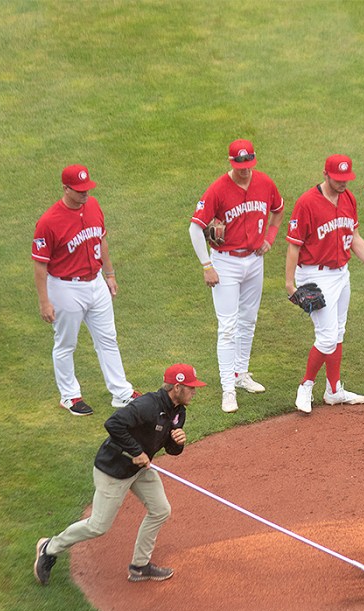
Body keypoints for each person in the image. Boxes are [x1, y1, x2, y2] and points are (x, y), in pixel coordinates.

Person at [33, 363, 206, 585]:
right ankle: (50, 547)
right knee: (98, 526)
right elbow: (113, 424)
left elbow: (170, 448)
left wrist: (177, 443)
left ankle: (140, 567)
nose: (195, 391)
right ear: (177, 387)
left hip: (139, 470)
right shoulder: (147, 405)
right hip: (114, 469)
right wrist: (136, 451)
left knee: (160, 509)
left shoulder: (178, 412)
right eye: (191, 387)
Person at [285, 155, 364, 413]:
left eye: (347, 178)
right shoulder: (306, 203)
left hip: (340, 274)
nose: (344, 183)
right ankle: (305, 386)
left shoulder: (349, 199)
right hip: (315, 275)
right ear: (326, 174)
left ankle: (334, 391)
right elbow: (294, 246)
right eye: (338, 179)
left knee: (338, 333)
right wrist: (290, 285)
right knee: (326, 338)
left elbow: (354, 238)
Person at [32, 165, 140, 416]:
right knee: (66, 343)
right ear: (65, 188)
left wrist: (110, 274)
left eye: (87, 188)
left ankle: (121, 392)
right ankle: (69, 396)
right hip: (65, 288)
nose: (84, 194)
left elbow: (101, 239)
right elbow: (40, 264)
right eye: (79, 190)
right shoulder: (49, 222)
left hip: (96, 282)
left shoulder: (93, 206)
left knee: (108, 338)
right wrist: (44, 301)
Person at [189, 139, 285, 413]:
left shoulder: (265, 183)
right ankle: (227, 389)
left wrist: (270, 236)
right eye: (239, 166)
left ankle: (241, 374)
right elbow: (195, 229)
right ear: (231, 163)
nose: (244, 171)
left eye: (248, 165)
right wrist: (207, 265)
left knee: (249, 320)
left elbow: (278, 210)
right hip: (226, 263)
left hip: (255, 260)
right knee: (228, 326)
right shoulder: (217, 189)